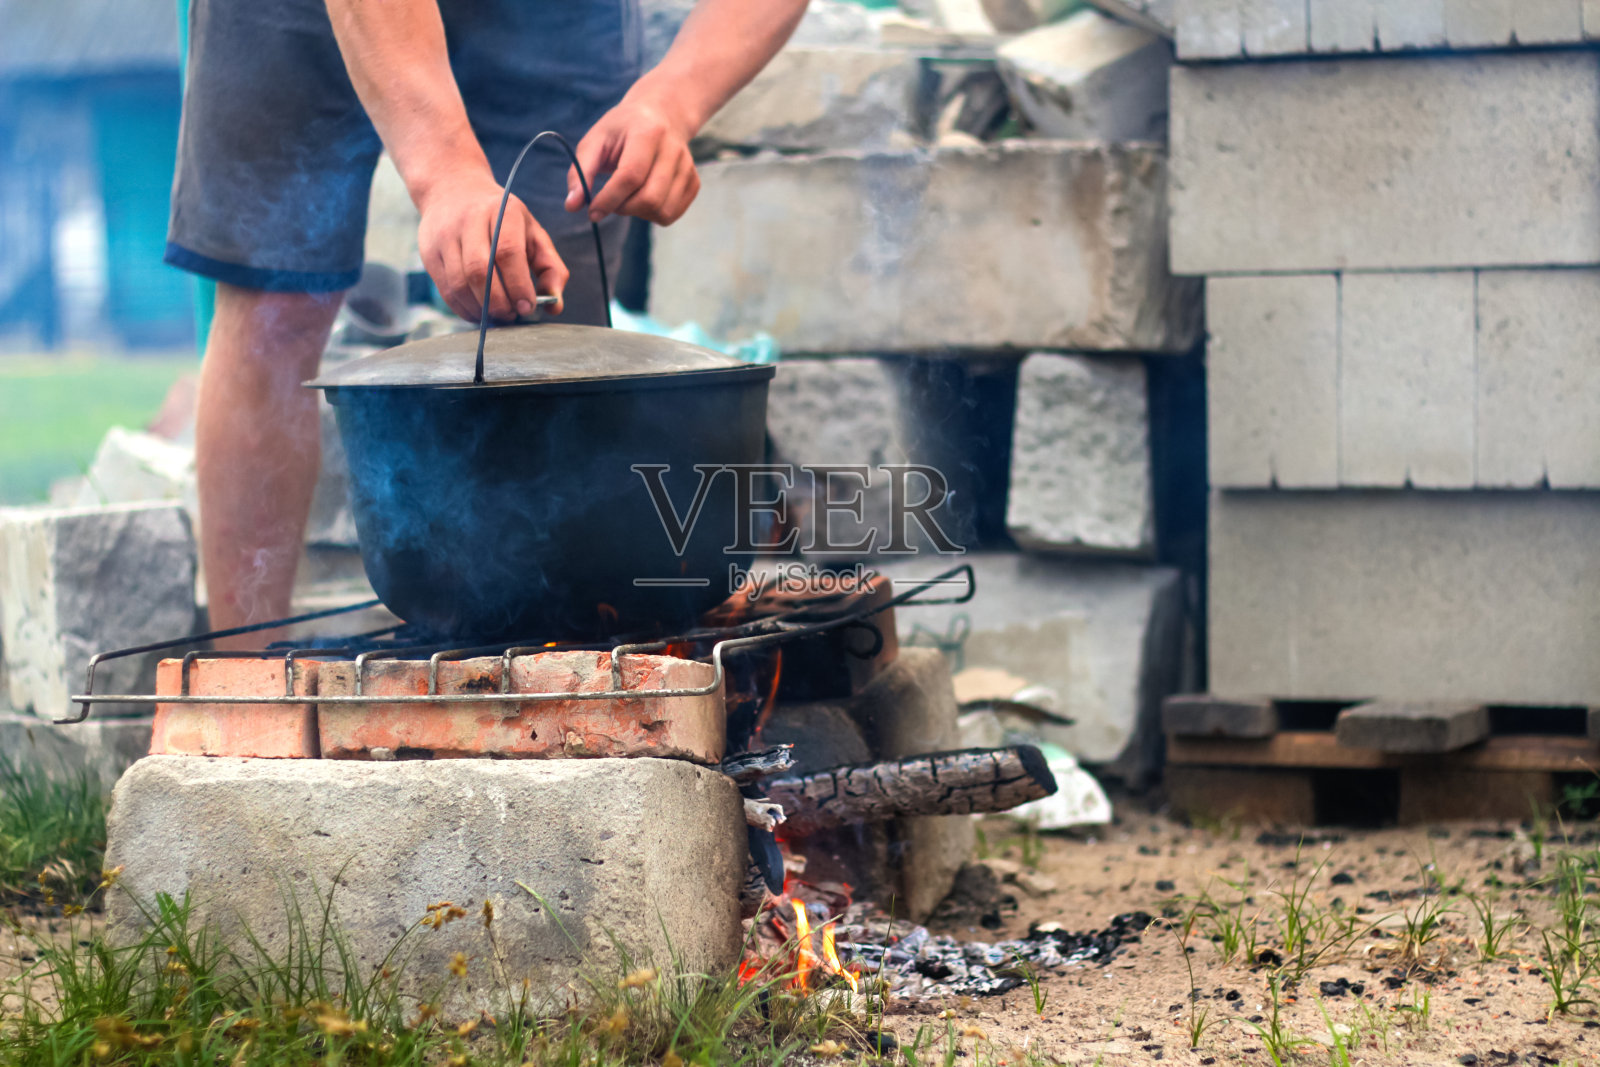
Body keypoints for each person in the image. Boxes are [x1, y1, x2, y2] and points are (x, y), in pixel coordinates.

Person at [164, 0, 809, 645]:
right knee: (277, 311)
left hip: (551, 22)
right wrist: (446, 174)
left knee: (558, 331)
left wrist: (672, 102)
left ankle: (571, 665)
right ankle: (240, 680)